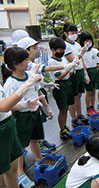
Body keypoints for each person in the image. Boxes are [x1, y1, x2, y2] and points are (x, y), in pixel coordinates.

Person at [2, 47, 52, 187]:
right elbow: (8, 105)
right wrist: (23, 105)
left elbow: (38, 91)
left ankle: (39, 159)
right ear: (15, 63)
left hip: (34, 112)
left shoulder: (30, 74)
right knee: (20, 146)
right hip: (21, 117)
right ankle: (20, 172)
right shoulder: (10, 83)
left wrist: (46, 106)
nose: (28, 61)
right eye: (25, 60)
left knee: (35, 139)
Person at [0, 62, 41, 188]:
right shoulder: (10, 83)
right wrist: (28, 84)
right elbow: (4, 106)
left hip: (7, 123)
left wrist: (22, 105)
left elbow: (5, 104)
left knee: (11, 170)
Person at [48, 37, 79, 139]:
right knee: (62, 109)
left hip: (67, 83)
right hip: (59, 85)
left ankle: (65, 126)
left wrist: (70, 68)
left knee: (66, 108)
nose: (62, 52)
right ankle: (62, 129)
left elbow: (67, 73)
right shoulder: (51, 61)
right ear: (53, 50)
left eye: (63, 49)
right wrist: (69, 67)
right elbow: (60, 76)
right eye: (60, 50)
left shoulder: (63, 59)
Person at [63, 22, 89, 126]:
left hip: (79, 72)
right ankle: (73, 118)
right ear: (66, 33)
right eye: (72, 32)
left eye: (75, 32)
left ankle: (79, 114)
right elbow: (72, 60)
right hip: (72, 72)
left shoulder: (77, 44)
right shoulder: (65, 45)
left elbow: (81, 60)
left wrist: (85, 72)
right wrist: (80, 54)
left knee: (79, 95)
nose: (74, 34)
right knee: (73, 96)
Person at [79, 31, 99, 116]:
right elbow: (82, 61)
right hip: (87, 71)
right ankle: (88, 108)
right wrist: (85, 73)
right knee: (89, 91)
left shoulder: (94, 50)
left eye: (90, 40)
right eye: (86, 41)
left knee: (94, 90)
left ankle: (92, 106)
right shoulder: (82, 51)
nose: (88, 42)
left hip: (94, 70)